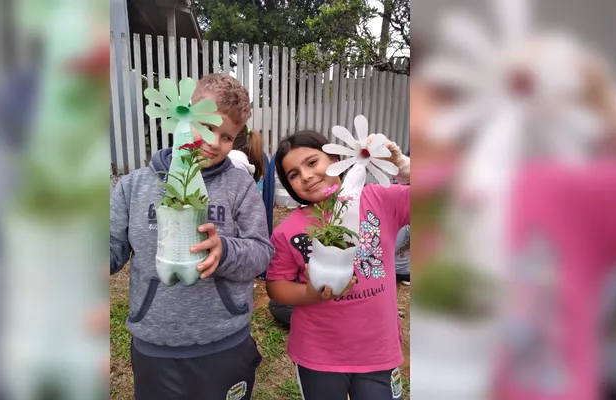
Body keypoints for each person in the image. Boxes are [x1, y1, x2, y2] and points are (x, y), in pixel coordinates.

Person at [109, 74, 274, 400]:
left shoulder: (239, 187)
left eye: (227, 136)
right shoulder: (134, 186)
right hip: (156, 344)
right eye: (207, 125)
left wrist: (224, 250)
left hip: (224, 341)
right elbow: (113, 249)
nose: (215, 142)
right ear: (182, 114)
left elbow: (261, 252)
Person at [265, 130, 411, 399]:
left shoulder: (379, 199)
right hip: (319, 353)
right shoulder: (287, 231)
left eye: (312, 162)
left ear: (335, 158)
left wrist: (403, 167)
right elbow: (276, 287)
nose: (306, 176)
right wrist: (309, 294)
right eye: (293, 175)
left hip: (377, 349)